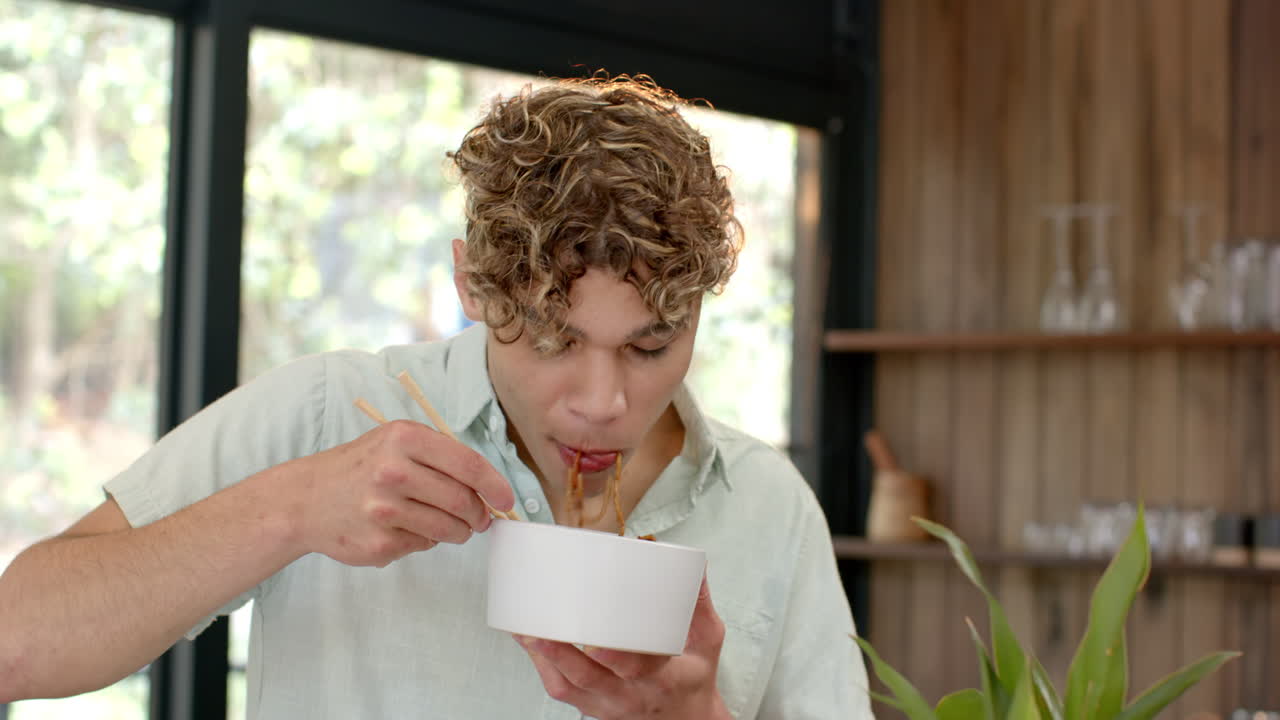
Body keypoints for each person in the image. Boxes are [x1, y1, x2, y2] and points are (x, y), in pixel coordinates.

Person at [0, 73, 873, 719]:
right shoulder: (327, 414)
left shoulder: (767, 508)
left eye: (650, 346)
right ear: (471, 284)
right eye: (553, 338)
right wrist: (293, 509)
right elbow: (17, 642)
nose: (604, 401)